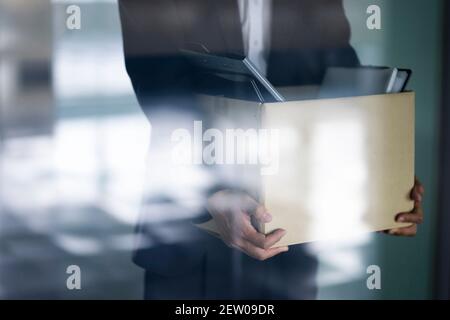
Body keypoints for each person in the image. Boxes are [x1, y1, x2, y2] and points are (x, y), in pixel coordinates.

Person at [118, 0, 425, 299]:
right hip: (188, 219)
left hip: (290, 226)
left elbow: (341, 76)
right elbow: (161, 85)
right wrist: (212, 185)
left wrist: (383, 178)